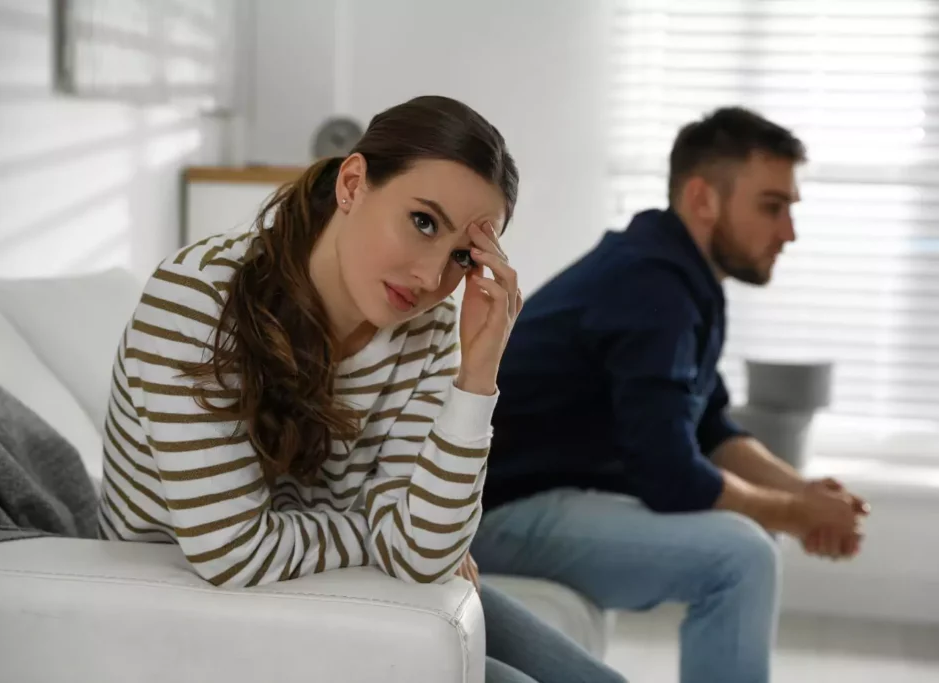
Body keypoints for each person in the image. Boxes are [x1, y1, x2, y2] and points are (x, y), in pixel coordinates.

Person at [98, 95, 625, 683]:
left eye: (459, 255)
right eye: (422, 221)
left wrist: (478, 374)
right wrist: (378, 527)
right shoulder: (196, 300)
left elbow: (424, 554)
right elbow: (232, 553)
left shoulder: (425, 334)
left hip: (340, 592)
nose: (430, 278)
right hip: (195, 614)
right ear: (352, 183)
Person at [470, 107, 870, 683]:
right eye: (771, 206)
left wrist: (801, 491)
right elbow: (671, 474)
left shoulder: (675, 276)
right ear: (704, 199)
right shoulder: (651, 285)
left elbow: (711, 426)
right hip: (495, 514)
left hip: (540, 498)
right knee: (741, 555)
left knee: (748, 540)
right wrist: (798, 514)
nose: (788, 232)